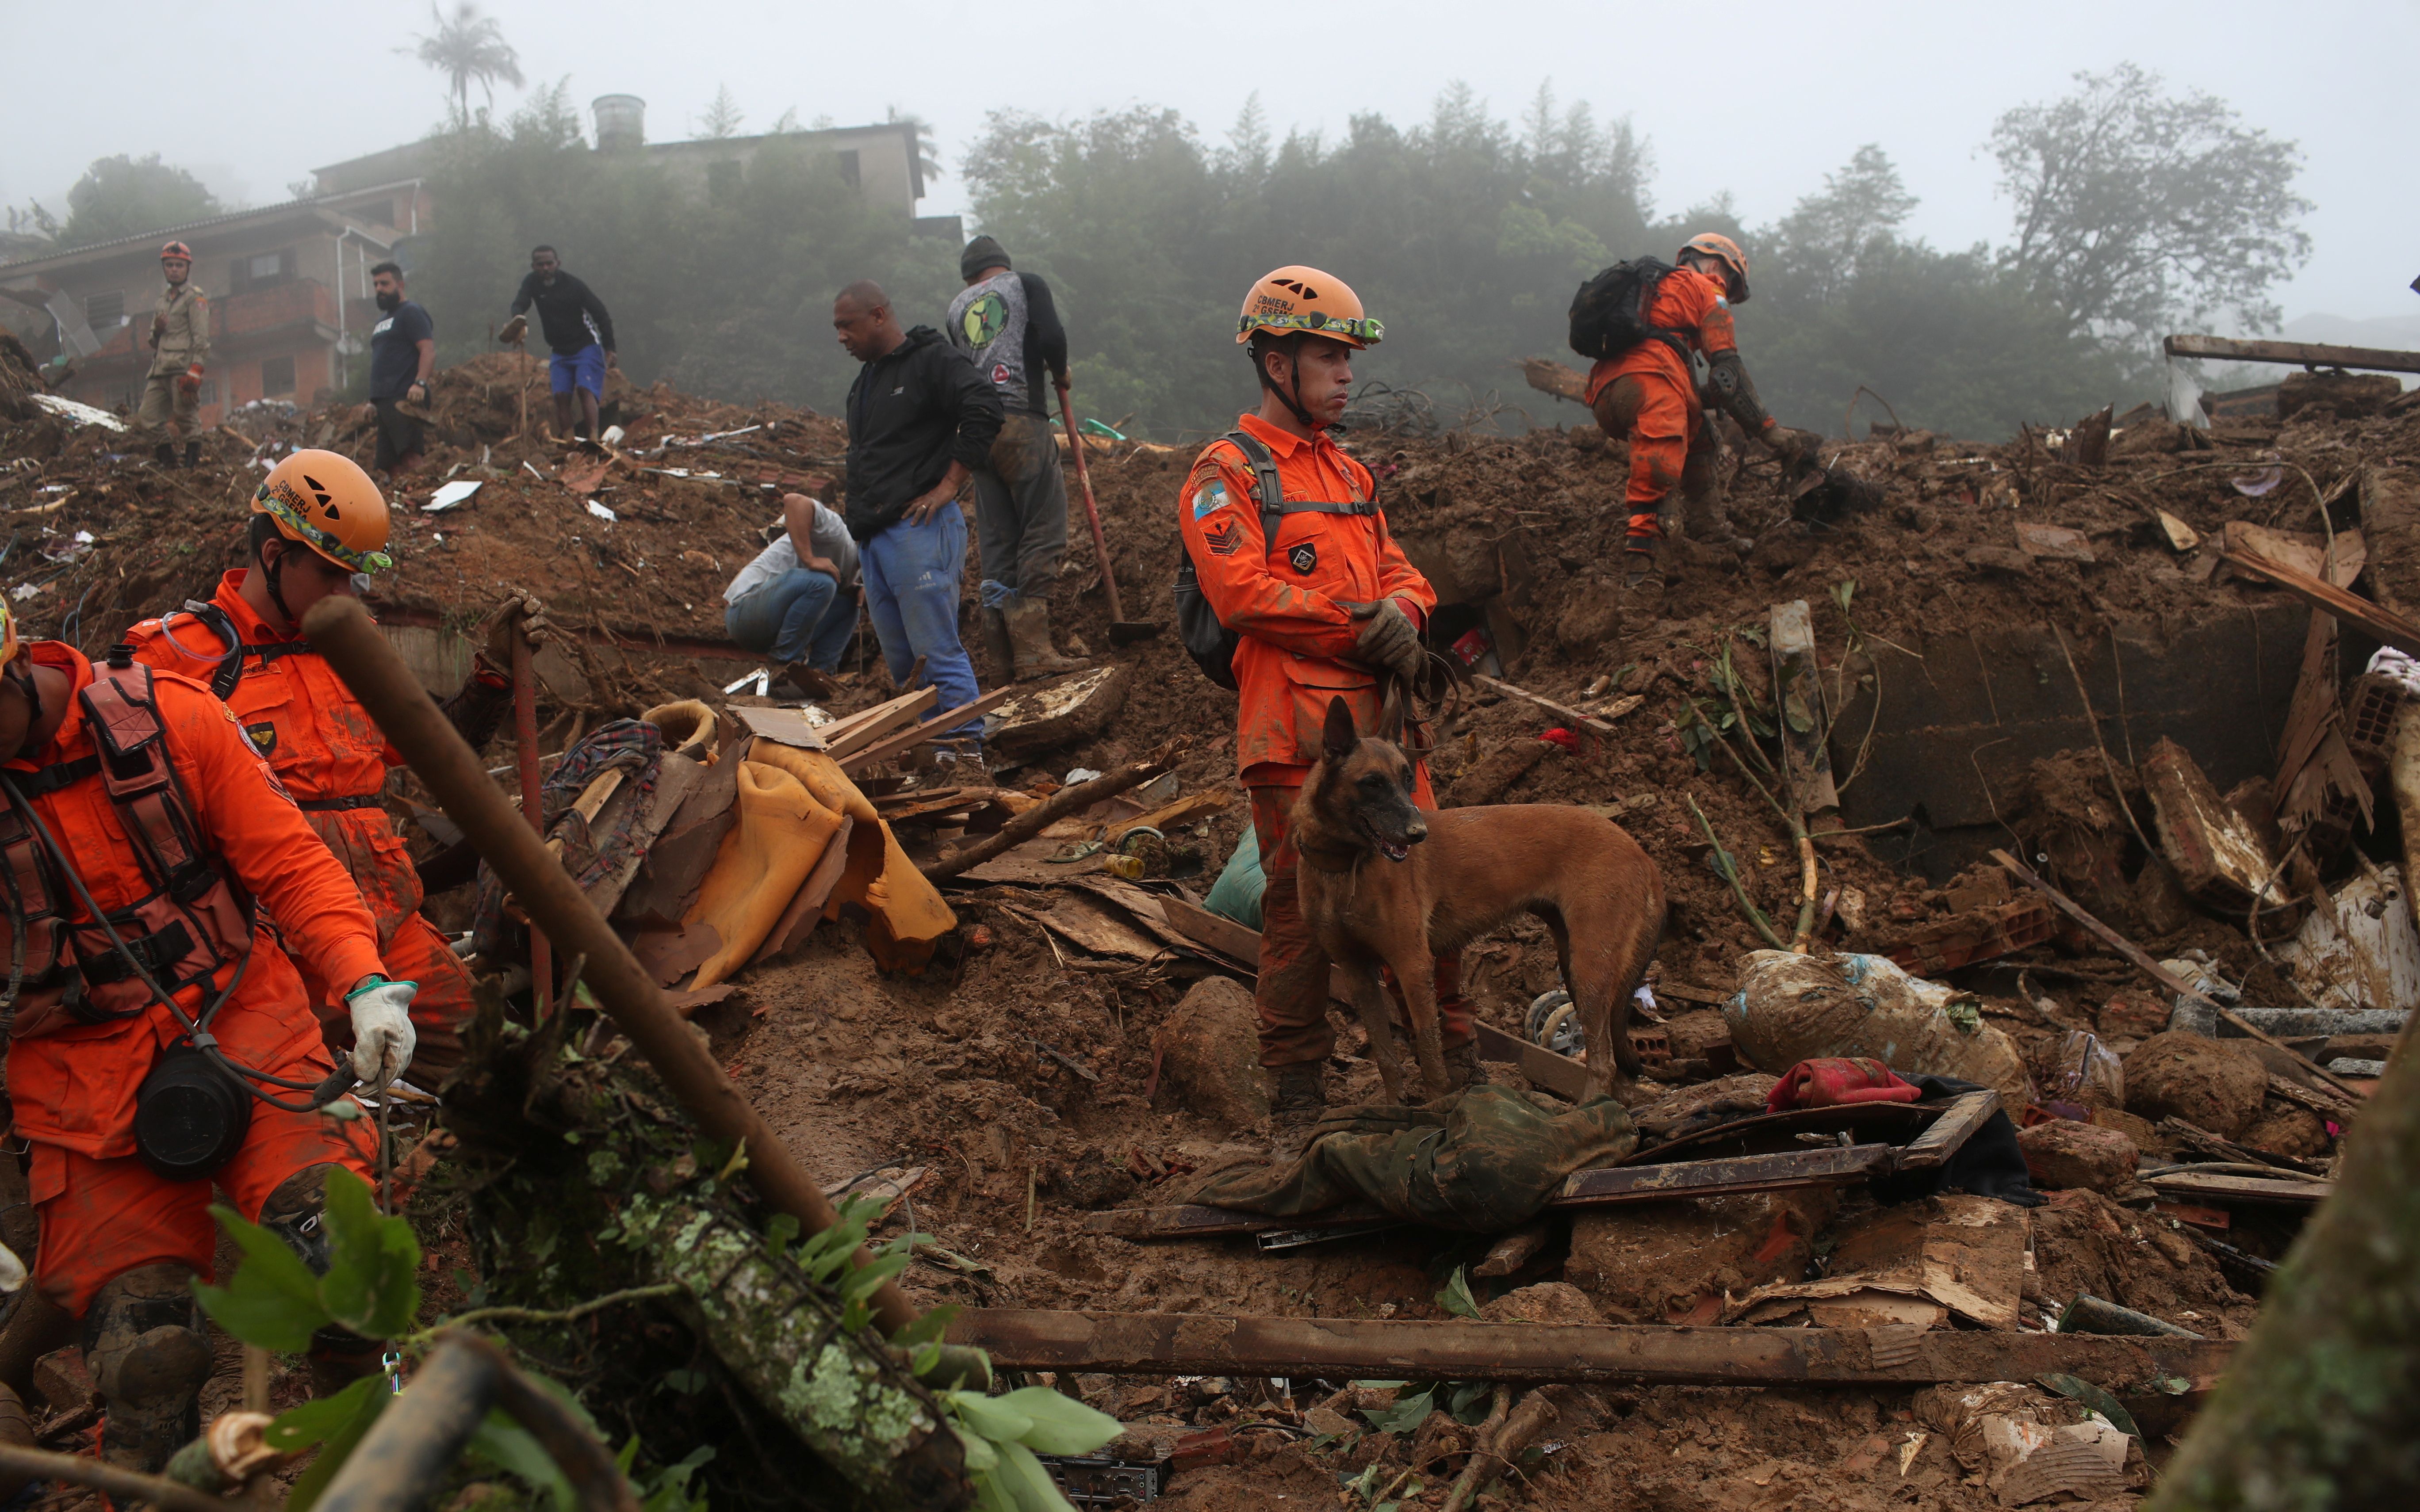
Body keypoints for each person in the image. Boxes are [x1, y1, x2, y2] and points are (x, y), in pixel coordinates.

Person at [0, 592, 414, 1473]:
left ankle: (386, 1463)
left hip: (241, 1015)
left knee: (344, 1264)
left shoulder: (168, 718)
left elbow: (292, 861)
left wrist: (366, 983)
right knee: (148, 1357)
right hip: (80, 1086)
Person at [123, 449, 544, 1088]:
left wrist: (493, 675)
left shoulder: (354, 645)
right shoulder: (175, 656)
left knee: (496, 1069)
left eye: (354, 577)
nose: (344, 593)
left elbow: (441, 752)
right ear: (274, 556)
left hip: (387, 923)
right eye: (329, 573)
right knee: (280, 1115)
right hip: (265, 949)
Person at [1174, 265, 1472, 1146]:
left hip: (1386, 738)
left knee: (1432, 894)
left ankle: (1455, 1067)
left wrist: (1407, 613)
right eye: (1327, 357)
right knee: (1305, 915)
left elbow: (1404, 575)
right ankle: (1298, 1095)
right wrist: (1361, 629)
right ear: (1274, 360)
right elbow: (1241, 596)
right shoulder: (1225, 472)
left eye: (1350, 359)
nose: (1347, 375)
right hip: (1298, 740)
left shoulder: (1349, 475)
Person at [1581, 233, 1820, 591]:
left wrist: (1719, 399)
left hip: (1605, 394)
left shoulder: (1658, 291)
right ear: (1716, 265)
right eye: (1732, 283)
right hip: (1653, 387)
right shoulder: (1708, 289)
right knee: (1659, 473)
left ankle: (1712, 534)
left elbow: (1700, 388)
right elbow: (1727, 373)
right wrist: (1771, 431)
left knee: (1702, 436)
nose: (1728, 291)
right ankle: (1641, 577)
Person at [833, 280, 1001, 769]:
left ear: (880, 315)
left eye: (848, 325)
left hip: (920, 529)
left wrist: (949, 484)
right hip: (877, 538)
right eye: (837, 328)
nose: (841, 337)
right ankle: (937, 754)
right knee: (906, 663)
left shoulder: (931, 361)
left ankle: (968, 752)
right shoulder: (864, 384)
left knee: (936, 649)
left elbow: (985, 408)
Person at [945, 236, 1087, 680]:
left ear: (969, 276)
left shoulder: (955, 309)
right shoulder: (1024, 284)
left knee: (999, 539)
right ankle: (1034, 651)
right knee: (1043, 527)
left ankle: (1002, 657)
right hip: (1021, 420)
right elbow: (1051, 334)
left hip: (975, 434)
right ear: (1002, 266)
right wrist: (1060, 370)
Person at [724, 491, 861, 695]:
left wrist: (858, 589)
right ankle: (784, 666)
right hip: (743, 613)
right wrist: (809, 559)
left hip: (774, 626)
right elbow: (794, 502)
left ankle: (820, 678)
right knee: (822, 583)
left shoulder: (858, 571)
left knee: (850, 605)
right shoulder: (839, 534)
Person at [503, 246, 617, 441]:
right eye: (541, 265)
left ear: (558, 264)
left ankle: (593, 439)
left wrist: (610, 348)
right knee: (561, 397)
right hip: (559, 351)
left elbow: (601, 314)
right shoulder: (532, 283)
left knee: (584, 389)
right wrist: (518, 320)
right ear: (534, 267)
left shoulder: (573, 286)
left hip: (586, 346)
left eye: (550, 263)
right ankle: (569, 442)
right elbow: (520, 302)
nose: (546, 268)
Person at [136, 241, 210, 470]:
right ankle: (169, 463)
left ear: (187, 268)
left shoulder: (194, 299)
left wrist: (196, 369)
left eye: (179, 265)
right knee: (147, 418)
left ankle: (191, 468)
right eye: (170, 265)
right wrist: (157, 329)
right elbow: (153, 340)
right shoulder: (162, 301)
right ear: (164, 268)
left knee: (186, 418)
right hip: (160, 370)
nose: (174, 269)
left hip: (182, 368)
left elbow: (201, 337)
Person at [367, 261, 434, 476]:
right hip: (384, 401)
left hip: (405, 398)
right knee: (390, 464)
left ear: (400, 285)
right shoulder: (382, 321)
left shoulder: (411, 312)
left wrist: (420, 383)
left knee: (410, 456)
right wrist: (372, 401)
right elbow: (382, 361)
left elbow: (428, 350)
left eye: (385, 284)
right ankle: (406, 506)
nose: (379, 289)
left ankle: (429, 502)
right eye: (376, 285)